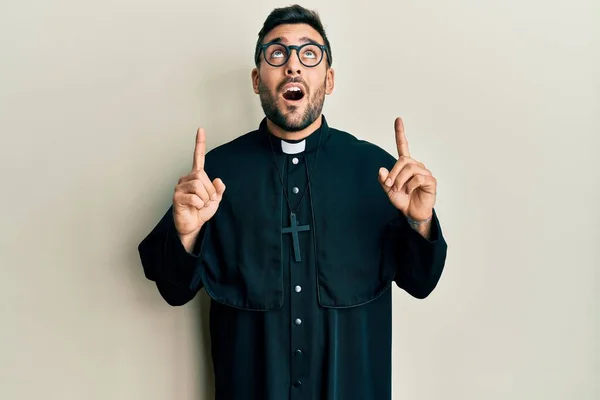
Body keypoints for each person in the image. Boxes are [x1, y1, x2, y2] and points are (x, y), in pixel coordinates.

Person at [138, 4, 448, 400]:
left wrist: (421, 223)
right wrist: (186, 235)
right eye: (277, 53)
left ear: (329, 79)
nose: (293, 66)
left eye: (309, 53)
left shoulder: (380, 173)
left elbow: (421, 283)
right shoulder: (214, 176)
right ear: (256, 79)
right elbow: (173, 290)